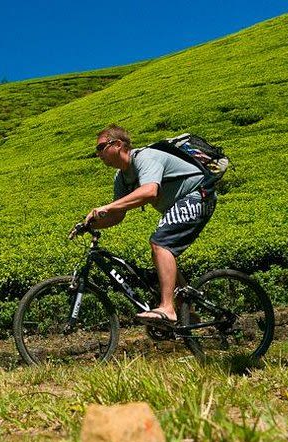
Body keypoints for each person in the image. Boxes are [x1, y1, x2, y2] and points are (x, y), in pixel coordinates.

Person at [85, 124, 217, 324]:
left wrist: (107, 207)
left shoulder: (146, 158)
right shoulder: (121, 177)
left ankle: (167, 308)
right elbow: (118, 215)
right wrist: (90, 225)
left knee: (160, 244)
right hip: (180, 203)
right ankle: (186, 308)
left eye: (101, 147)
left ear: (118, 144)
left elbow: (149, 192)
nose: (98, 154)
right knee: (161, 251)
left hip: (199, 195)